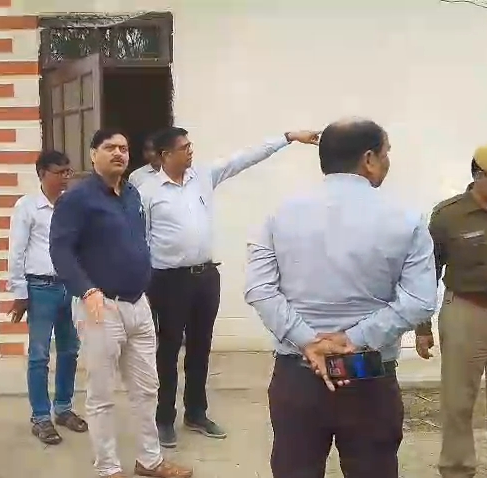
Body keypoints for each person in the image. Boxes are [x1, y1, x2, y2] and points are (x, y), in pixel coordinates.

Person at [243, 119, 438, 478]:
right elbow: (420, 300)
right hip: (366, 370)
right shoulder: (406, 219)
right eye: (386, 153)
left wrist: (308, 341)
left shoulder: (278, 215)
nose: (387, 161)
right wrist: (353, 339)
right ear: (369, 159)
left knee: (296, 469)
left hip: (299, 371)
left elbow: (260, 289)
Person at [140, 126, 321, 448]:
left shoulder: (202, 177)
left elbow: (244, 159)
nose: (191, 151)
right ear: (166, 155)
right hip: (168, 281)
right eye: (184, 147)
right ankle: (164, 418)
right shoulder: (147, 191)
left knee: (200, 348)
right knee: (167, 350)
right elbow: (141, 240)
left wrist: (288, 138)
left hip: (205, 277)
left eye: (190, 145)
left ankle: (196, 412)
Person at [50, 129, 192, 478]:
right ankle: (108, 467)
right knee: (101, 394)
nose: (119, 153)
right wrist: (87, 290)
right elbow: (61, 251)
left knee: (147, 389)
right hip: (101, 307)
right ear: (93, 154)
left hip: (138, 305)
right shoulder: (77, 199)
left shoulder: (131, 194)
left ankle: (150, 460)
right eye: (110, 147)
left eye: (124, 148)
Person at [414, 141, 487, 478]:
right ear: (480, 175)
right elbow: (427, 271)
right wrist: (422, 326)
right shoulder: (449, 215)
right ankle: (457, 469)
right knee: (458, 401)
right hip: (467, 314)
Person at [7, 150, 88, 445]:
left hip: (70, 287)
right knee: (39, 354)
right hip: (40, 288)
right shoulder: (27, 207)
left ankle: (63, 408)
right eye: (59, 172)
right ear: (42, 174)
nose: (65, 177)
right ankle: (40, 416)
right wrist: (19, 293)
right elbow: (16, 251)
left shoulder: (73, 206)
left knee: (69, 350)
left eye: (68, 172)